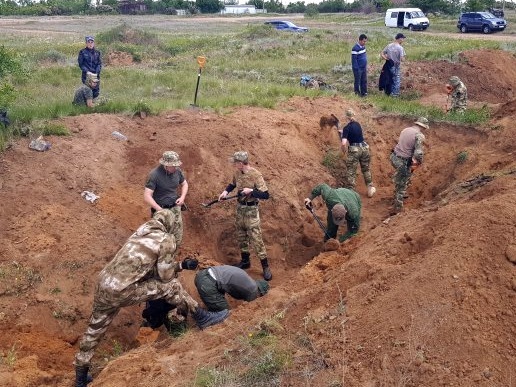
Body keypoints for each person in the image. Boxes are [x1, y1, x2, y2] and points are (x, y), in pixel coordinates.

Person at [73, 209, 229, 387]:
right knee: (172, 286)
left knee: (95, 329)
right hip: (123, 289)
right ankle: (202, 317)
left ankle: (80, 376)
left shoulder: (141, 232)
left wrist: (179, 264)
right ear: (171, 224)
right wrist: (178, 267)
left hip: (104, 283)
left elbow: (144, 264)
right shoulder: (166, 239)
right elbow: (164, 276)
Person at [143, 151, 189, 327]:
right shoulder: (155, 175)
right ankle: (159, 268)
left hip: (175, 210)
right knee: (161, 242)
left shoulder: (177, 172)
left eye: (176, 165)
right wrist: (159, 209)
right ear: (165, 164)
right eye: (172, 165)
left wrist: (182, 197)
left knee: (176, 239)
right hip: (161, 212)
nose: (175, 168)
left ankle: (171, 265)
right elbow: (147, 196)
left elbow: (184, 184)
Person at [218, 151, 272, 281]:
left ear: (241, 163)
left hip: (252, 210)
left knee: (256, 239)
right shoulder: (237, 173)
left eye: (236, 163)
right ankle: (245, 261)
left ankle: (265, 266)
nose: (234, 165)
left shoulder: (256, 174)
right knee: (241, 237)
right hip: (240, 209)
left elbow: (266, 195)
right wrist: (225, 192)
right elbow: (233, 184)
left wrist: (252, 191)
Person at [390, 117, 429, 214]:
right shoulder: (419, 135)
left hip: (394, 157)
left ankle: (398, 187)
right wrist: (420, 161)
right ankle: (397, 209)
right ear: (423, 127)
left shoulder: (405, 129)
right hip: (403, 162)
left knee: (402, 176)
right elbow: (418, 153)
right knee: (402, 184)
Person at [194, 265, 269, 312]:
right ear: (260, 292)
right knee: (226, 314)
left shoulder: (249, 280)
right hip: (208, 283)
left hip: (202, 275)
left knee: (219, 305)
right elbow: (249, 309)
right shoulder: (253, 290)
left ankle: (212, 309)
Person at [340, 108, 376, 198]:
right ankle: (370, 188)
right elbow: (355, 134)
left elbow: (344, 143)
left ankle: (351, 192)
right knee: (366, 169)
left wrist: (343, 150)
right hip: (364, 148)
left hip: (354, 150)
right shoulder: (358, 124)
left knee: (351, 171)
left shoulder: (346, 128)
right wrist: (343, 133)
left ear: (346, 117)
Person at [381, 33, 406, 97]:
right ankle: (395, 95)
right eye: (403, 38)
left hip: (388, 65)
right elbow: (402, 59)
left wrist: (386, 58)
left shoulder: (389, 45)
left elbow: (382, 53)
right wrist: (403, 59)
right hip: (396, 66)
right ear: (400, 38)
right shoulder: (400, 48)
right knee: (396, 80)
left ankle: (388, 93)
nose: (403, 40)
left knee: (389, 79)